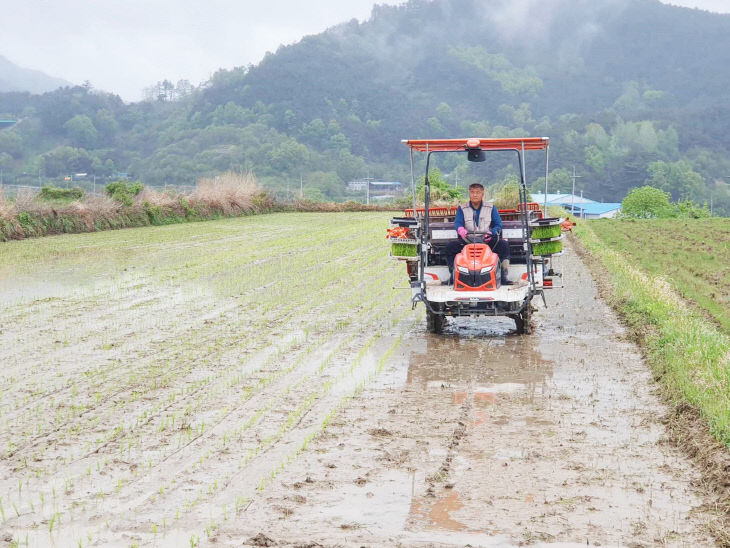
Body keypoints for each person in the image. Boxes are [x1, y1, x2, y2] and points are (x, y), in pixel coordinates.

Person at [444, 182, 512, 285]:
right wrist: (461, 229)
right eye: (472, 192)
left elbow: (498, 225)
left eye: (477, 192)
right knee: (450, 247)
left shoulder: (491, 208)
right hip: (467, 241)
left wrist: (491, 232)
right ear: (469, 194)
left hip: (486, 241)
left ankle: (503, 276)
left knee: (504, 245)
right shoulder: (462, 208)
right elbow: (458, 223)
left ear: (482, 194)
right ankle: (453, 275)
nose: (475, 195)